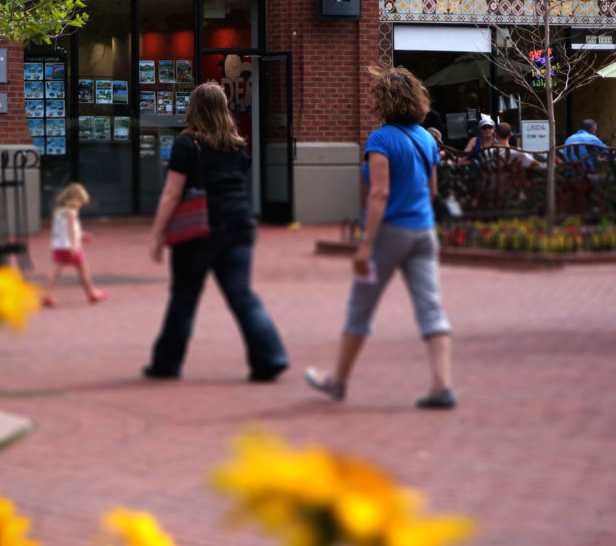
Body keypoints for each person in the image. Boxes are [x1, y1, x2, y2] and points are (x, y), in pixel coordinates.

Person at [305, 65, 456, 410]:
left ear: (382, 102)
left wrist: (366, 245)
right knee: (431, 308)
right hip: (423, 231)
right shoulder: (426, 138)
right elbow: (432, 189)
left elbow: (379, 194)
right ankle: (442, 384)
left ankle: (338, 381)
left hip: (389, 233)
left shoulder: (380, 140)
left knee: (360, 309)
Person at [143, 82, 288, 382]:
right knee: (242, 295)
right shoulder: (238, 146)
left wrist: (158, 233)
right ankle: (270, 356)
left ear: (193, 108)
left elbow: (172, 192)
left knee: (184, 297)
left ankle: (166, 364)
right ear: (223, 108)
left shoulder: (187, 144)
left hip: (200, 229)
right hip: (239, 224)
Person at [40, 182, 108, 308]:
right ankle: (92, 293)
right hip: (71, 246)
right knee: (83, 270)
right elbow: (71, 230)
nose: (81, 206)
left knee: (55, 271)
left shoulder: (59, 211)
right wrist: (73, 245)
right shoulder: (72, 212)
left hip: (58, 245)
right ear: (75, 199)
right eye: (81, 202)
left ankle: (46, 295)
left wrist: (81, 235)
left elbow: (63, 230)